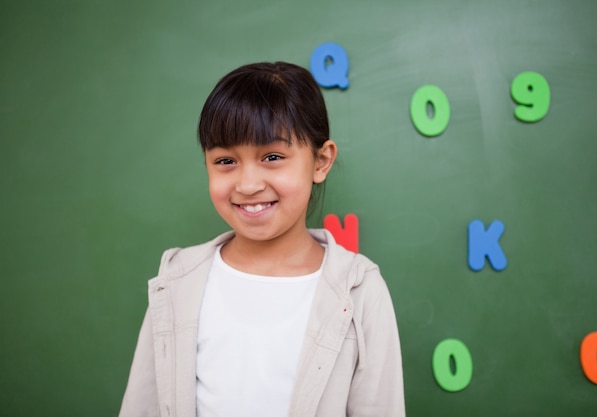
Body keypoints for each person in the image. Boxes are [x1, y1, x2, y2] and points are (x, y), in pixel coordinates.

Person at [119, 61, 405, 417]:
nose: (248, 184)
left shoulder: (359, 290)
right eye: (225, 161)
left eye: (272, 157)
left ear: (320, 161)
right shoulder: (177, 281)